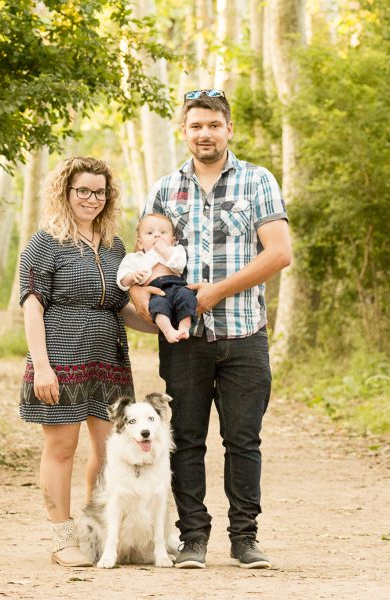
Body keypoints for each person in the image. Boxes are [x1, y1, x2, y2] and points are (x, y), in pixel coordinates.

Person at [130, 89, 292, 569]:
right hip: (185, 342)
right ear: (184, 131)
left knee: (244, 440)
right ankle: (193, 539)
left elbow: (278, 253)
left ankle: (245, 538)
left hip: (244, 334)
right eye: (195, 125)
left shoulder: (257, 181)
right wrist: (148, 304)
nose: (205, 133)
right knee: (188, 439)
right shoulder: (163, 190)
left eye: (213, 125)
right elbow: (138, 264)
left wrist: (216, 292)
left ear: (228, 129)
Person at [19, 156, 154, 567]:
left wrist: (163, 328)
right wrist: (42, 366)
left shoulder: (114, 246)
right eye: (84, 191)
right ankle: (62, 538)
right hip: (60, 355)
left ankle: (96, 532)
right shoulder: (45, 243)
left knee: (108, 447)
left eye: (100, 191)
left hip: (109, 358)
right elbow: (32, 307)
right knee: (62, 446)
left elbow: (118, 308)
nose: (92, 199)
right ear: (66, 192)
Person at [116, 213, 197, 343]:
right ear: (140, 242)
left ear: (173, 241)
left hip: (176, 286)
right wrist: (131, 277)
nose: (157, 235)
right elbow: (121, 280)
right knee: (158, 306)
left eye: (163, 232)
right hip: (155, 291)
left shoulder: (176, 251)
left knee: (187, 296)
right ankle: (168, 330)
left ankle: (184, 327)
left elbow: (179, 264)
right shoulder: (135, 258)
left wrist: (164, 250)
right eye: (150, 233)